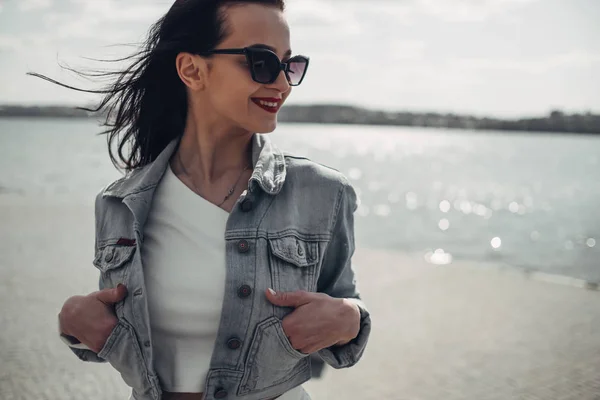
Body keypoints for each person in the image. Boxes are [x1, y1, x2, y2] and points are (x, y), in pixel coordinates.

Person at [40, 1, 372, 399]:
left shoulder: (322, 192)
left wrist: (352, 319)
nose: (282, 84)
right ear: (192, 70)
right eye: (262, 62)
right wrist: (76, 325)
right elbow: (124, 335)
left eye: (290, 65)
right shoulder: (119, 204)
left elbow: (344, 310)